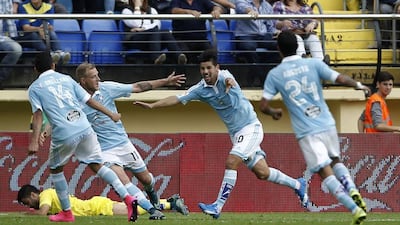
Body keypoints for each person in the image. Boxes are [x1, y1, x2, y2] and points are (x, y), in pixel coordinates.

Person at [134, 49, 309, 219]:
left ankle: (217, 206)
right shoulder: (201, 89)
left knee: (231, 161)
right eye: (202, 69)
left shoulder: (225, 76)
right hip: (236, 134)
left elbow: (229, 79)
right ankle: (297, 184)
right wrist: (152, 106)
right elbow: (178, 98)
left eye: (209, 68)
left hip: (250, 128)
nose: (205, 72)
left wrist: (230, 83)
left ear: (217, 67)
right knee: (262, 172)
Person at [259, 30, 369, 225]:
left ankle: (355, 209)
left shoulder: (275, 74)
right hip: (326, 121)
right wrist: (359, 85)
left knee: (323, 171)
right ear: (298, 46)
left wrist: (274, 112)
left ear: (279, 50)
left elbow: (263, 105)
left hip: (307, 131)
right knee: (335, 160)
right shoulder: (313, 63)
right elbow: (340, 78)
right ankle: (352, 189)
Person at [27, 51, 137, 222]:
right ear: (53, 66)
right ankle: (128, 199)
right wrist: (111, 114)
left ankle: (67, 213)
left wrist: (34, 141)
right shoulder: (66, 79)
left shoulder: (34, 88)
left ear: (35, 69)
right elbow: (89, 101)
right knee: (97, 165)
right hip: (85, 128)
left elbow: (38, 115)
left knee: (56, 170)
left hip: (64, 132)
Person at [75, 62, 186, 219]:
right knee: (125, 182)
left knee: (147, 180)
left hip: (124, 145)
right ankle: (153, 211)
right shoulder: (75, 100)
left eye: (98, 75)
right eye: (93, 77)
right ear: (83, 80)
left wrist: (165, 82)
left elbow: (138, 87)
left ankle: (154, 199)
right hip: (105, 151)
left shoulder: (107, 88)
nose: (98, 79)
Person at [17, 184, 189, 216]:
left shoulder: (45, 194)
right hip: (95, 207)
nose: (28, 206)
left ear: (33, 195)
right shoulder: (48, 194)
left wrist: (29, 215)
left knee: (135, 211)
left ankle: (170, 203)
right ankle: (170, 203)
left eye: (26, 202)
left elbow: (43, 212)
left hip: (97, 208)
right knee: (135, 210)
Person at [121, 0, 187, 64]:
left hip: (152, 39)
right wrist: (137, 8)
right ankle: (155, 58)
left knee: (165, 32)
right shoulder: (126, 11)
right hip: (135, 39)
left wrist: (144, 28)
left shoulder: (152, 10)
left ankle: (179, 57)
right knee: (154, 31)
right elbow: (136, 23)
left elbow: (157, 25)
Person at [234, 0, 280, 86]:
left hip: (263, 35)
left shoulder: (267, 6)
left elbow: (270, 26)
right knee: (250, 47)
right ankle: (262, 77)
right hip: (245, 35)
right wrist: (249, 11)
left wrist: (276, 32)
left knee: (278, 46)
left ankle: (257, 74)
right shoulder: (242, 1)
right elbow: (240, 7)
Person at [15, 0, 71, 64]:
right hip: (24, 36)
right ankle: (49, 55)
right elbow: (26, 28)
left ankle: (59, 53)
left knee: (51, 33)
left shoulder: (49, 6)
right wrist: (39, 29)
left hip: (42, 33)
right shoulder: (23, 6)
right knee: (34, 35)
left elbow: (50, 27)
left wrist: (44, 28)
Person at [0, 0, 23, 89]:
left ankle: (0, 78)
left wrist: (16, 3)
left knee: (16, 49)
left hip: (2, 37)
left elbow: (9, 20)